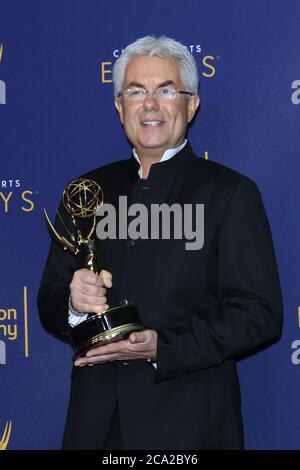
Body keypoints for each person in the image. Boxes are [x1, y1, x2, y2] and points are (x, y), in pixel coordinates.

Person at [37, 35, 283, 450]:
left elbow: (259, 313)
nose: (149, 104)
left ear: (191, 105)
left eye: (165, 90)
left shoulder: (229, 193)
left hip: (190, 426)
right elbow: (48, 300)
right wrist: (73, 302)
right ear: (120, 107)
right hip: (94, 428)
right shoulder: (86, 190)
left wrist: (161, 348)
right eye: (136, 91)